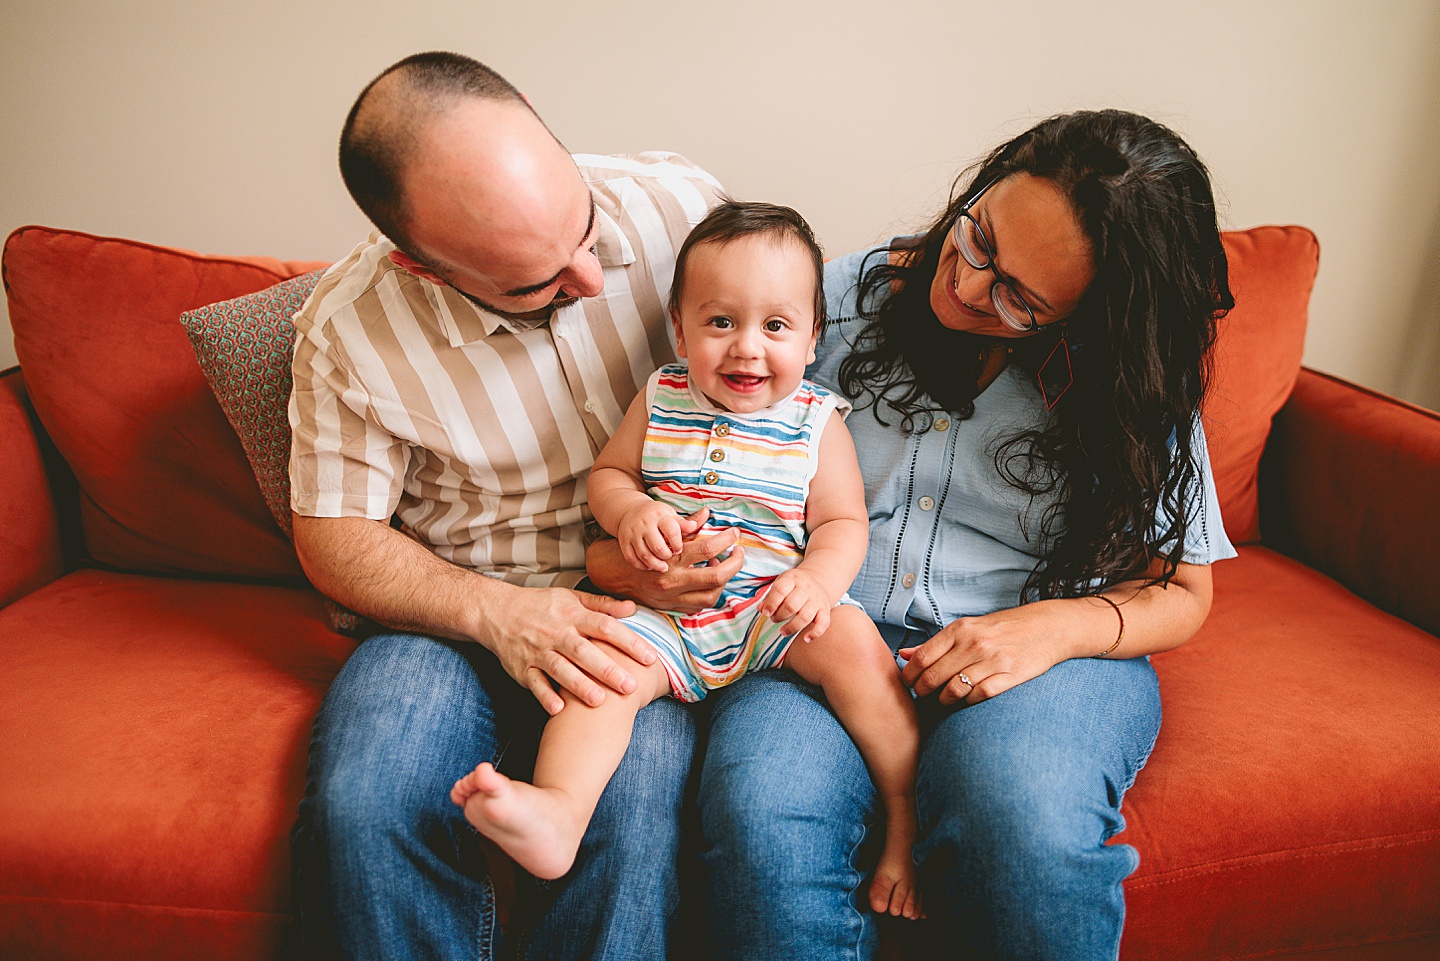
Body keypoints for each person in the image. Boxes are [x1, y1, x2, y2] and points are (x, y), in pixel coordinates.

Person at [587, 108, 1239, 960]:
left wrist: (1048, 628)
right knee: (761, 811)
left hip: (1043, 654)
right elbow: (667, 484)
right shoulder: (833, 304)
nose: (966, 287)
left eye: (1018, 299)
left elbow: (1184, 592)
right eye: (979, 237)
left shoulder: (1131, 386)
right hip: (816, 635)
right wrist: (635, 559)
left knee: (1023, 817)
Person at [285, 51, 731, 960]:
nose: (592, 278)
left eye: (585, 231)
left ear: (534, 114)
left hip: (636, 612)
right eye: (535, 283)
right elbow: (333, 536)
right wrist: (499, 612)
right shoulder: (350, 328)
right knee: (366, 803)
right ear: (421, 264)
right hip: (456, 608)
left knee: (635, 809)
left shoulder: (684, 205)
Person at [451, 201, 923, 919]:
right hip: (664, 615)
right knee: (600, 673)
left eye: (776, 325)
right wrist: (634, 510)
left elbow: (843, 521)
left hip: (773, 606)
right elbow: (608, 477)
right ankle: (559, 813)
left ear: (812, 336)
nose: (746, 349)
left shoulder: (816, 421)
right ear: (680, 326)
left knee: (858, 649)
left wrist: (817, 581)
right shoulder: (663, 394)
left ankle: (905, 815)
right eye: (720, 321)